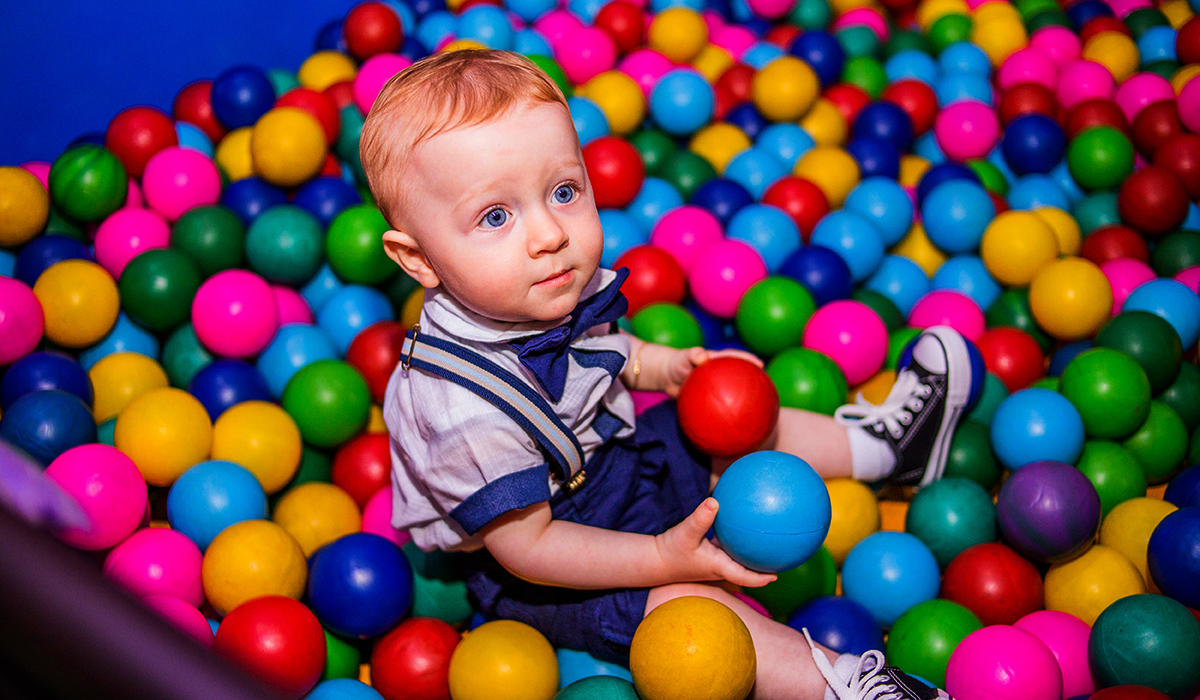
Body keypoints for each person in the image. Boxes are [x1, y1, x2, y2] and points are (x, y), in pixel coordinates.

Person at [360, 48, 970, 700]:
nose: (548, 234)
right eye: (495, 216)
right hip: (549, 565)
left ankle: (886, 450)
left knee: (730, 420)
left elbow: (603, 351)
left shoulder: (533, 284)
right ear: (417, 259)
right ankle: (844, 685)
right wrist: (661, 559)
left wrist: (665, 367)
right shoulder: (460, 409)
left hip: (620, 463)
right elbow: (528, 547)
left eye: (564, 191)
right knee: (692, 610)